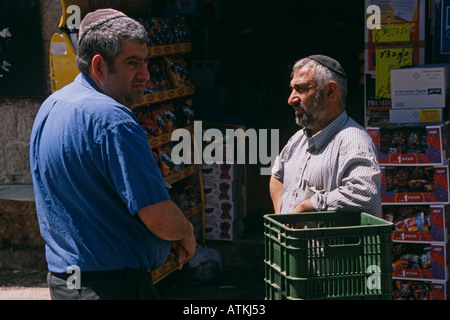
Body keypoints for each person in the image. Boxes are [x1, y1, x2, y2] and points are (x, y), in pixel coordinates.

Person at [29, 8, 196, 300]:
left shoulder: (53, 105)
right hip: (112, 288)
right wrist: (185, 233)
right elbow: (158, 215)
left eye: (145, 62)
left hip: (67, 283)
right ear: (99, 66)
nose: (145, 74)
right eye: (132, 63)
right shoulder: (112, 119)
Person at [270, 55, 382, 217]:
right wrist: (284, 219)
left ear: (330, 91)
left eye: (301, 89)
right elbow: (277, 177)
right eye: (292, 89)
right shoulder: (297, 139)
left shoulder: (354, 140)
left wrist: (308, 206)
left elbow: (366, 194)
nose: (291, 99)